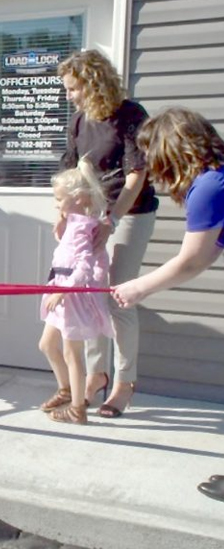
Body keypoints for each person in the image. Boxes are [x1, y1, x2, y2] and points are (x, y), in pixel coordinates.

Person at [109, 107, 223, 498]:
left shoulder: (209, 186)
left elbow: (192, 259)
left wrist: (138, 288)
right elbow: (206, 255)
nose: (153, 171)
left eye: (153, 158)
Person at [58, 49, 158, 417]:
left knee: (117, 296)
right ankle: (96, 372)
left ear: (93, 82)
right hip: (90, 216)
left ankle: (124, 382)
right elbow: (70, 173)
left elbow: (137, 175)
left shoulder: (131, 116)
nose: (69, 96)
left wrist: (111, 220)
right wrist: (63, 215)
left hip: (130, 214)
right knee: (88, 294)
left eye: (73, 89)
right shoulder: (79, 121)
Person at [38, 160, 115, 424]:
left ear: (79, 199)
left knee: (73, 352)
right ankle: (66, 389)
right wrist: (61, 224)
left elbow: (83, 265)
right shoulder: (73, 223)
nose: (55, 204)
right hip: (59, 289)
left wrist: (65, 291)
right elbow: (67, 252)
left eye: (59, 199)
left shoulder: (83, 227)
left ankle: (77, 408)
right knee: (47, 344)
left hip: (71, 296)